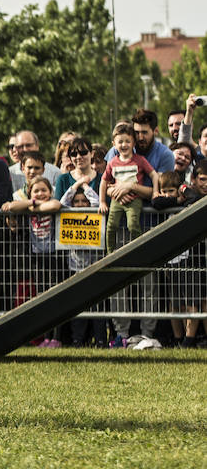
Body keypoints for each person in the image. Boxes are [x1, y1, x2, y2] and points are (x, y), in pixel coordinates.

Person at [99, 123, 159, 347]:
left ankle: (148, 333)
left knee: (147, 284)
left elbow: (154, 180)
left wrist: (131, 188)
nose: (124, 145)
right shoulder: (112, 160)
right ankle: (120, 333)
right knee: (119, 282)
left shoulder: (144, 159)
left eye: (128, 140)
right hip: (118, 223)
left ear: (133, 142)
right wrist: (111, 195)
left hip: (143, 228)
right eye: (119, 141)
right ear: (114, 144)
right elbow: (106, 182)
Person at [5, 176, 63, 346]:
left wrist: (34, 205)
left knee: (56, 297)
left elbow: (55, 205)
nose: (41, 193)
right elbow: (12, 206)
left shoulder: (49, 203)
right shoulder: (29, 204)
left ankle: (56, 337)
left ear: (50, 191)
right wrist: (31, 202)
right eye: (36, 190)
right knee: (42, 298)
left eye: (44, 190)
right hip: (37, 257)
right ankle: (45, 337)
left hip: (54, 257)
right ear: (29, 192)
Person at [151, 171, 200, 348]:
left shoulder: (188, 194)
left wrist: (182, 195)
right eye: (164, 191)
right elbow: (156, 202)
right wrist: (175, 200)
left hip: (188, 260)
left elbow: (193, 198)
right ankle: (178, 338)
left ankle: (189, 339)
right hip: (170, 260)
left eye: (171, 191)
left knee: (190, 301)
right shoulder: (166, 202)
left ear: (179, 188)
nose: (166, 195)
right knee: (174, 302)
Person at [64, 187, 107, 348]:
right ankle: (78, 339)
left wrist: (87, 187)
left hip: (96, 266)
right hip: (76, 268)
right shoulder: (68, 214)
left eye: (84, 201)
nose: (80, 204)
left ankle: (101, 339)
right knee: (78, 306)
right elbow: (62, 202)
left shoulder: (96, 214)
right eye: (77, 201)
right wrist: (77, 184)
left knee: (98, 305)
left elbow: (97, 202)